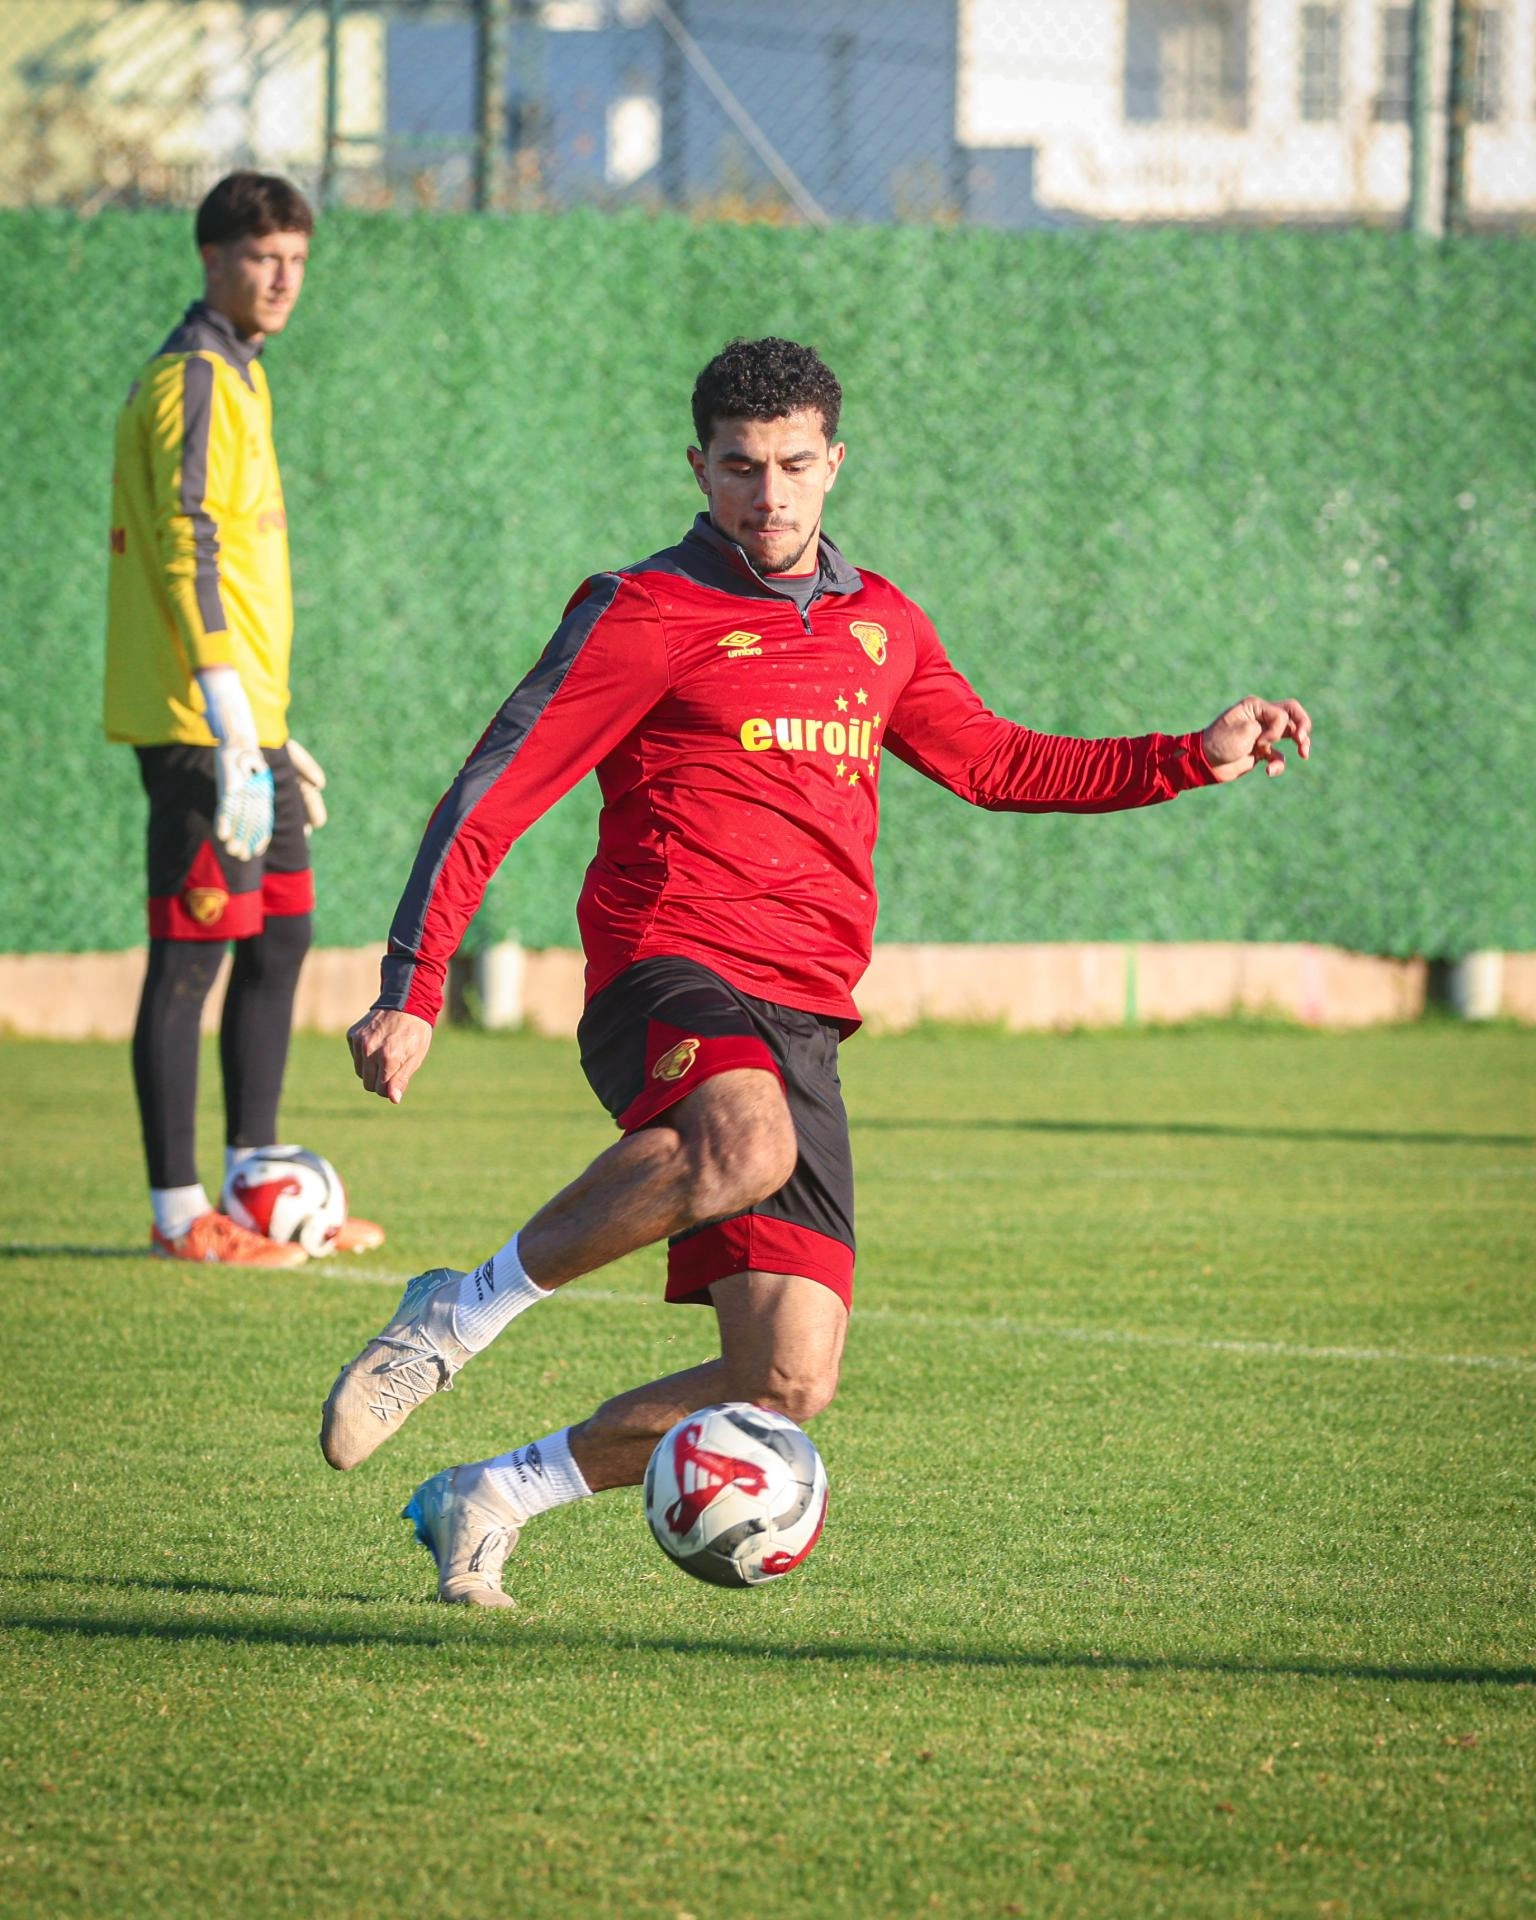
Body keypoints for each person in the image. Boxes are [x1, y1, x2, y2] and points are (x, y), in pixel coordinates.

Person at [322, 336, 1310, 1605]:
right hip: (668, 966)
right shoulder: (642, 610)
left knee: (785, 1383)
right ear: (699, 468)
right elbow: (492, 792)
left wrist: (1190, 755)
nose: (769, 494)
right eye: (741, 467)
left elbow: (996, 761)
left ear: (835, 462)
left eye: (793, 465)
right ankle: (455, 1317)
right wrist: (413, 986)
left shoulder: (880, 623)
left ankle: (498, 1491)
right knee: (743, 1144)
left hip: (804, 1016)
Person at [104, 171, 382, 1266]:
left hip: (246, 720)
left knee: (282, 933)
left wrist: (267, 723)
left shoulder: (243, 374)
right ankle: (181, 1215)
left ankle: (256, 1183)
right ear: (213, 258)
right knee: (190, 956)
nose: (283, 278)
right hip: (197, 719)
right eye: (264, 256)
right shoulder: (195, 376)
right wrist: (225, 709)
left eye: (297, 259)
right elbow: (191, 545)